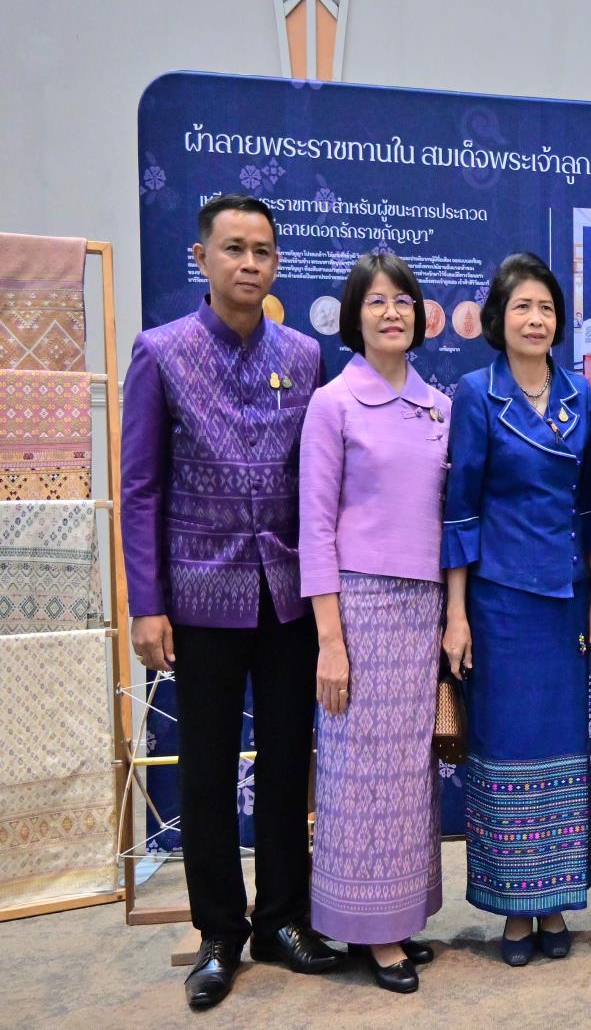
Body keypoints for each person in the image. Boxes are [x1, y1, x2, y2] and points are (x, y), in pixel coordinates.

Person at [122, 194, 345, 1011]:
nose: (249, 263)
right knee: (208, 769)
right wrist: (148, 603)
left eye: (262, 251)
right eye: (234, 249)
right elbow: (141, 487)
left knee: (288, 761)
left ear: (277, 262)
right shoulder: (161, 352)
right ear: (202, 258)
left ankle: (283, 919)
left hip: (287, 594)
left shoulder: (305, 355)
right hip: (198, 594)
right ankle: (219, 931)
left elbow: (320, 480)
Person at [439, 253, 591, 967]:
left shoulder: (578, 394)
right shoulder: (477, 394)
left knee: (562, 748)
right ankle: (515, 909)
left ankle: (557, 899)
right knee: (507, 748)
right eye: (522, 308)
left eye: (545, 308)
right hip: (500, 601)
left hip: (565, 601)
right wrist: (456, 614)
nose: (536, 320)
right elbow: (459, 509)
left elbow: (588, 502)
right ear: (498, 320)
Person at [298, 253, 448, 992]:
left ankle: (398, 914)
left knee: (410, 771)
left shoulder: (439, 405)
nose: (393, 313)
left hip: (425, 608)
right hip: (358, 608)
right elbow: (314, 527)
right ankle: (371, 931)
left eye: (404, 301)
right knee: (360, 770)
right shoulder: (333, 403)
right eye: (377, 301)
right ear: (355, 316)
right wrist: (330, 641)